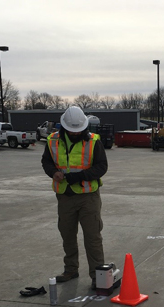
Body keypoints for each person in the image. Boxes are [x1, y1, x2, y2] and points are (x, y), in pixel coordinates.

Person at [41, 106, 108, 289]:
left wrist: (78, 177)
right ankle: (71, 269)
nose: (75, 133)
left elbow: (101, 167)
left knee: (92, 236)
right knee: (67, 234)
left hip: (88, 197)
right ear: (64, 127)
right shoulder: (52, 141)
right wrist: (53, 172)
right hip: (65, 196)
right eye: (71, 130)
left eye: (78, 131)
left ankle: (97, 274)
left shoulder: (94, 141)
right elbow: (46, 161)